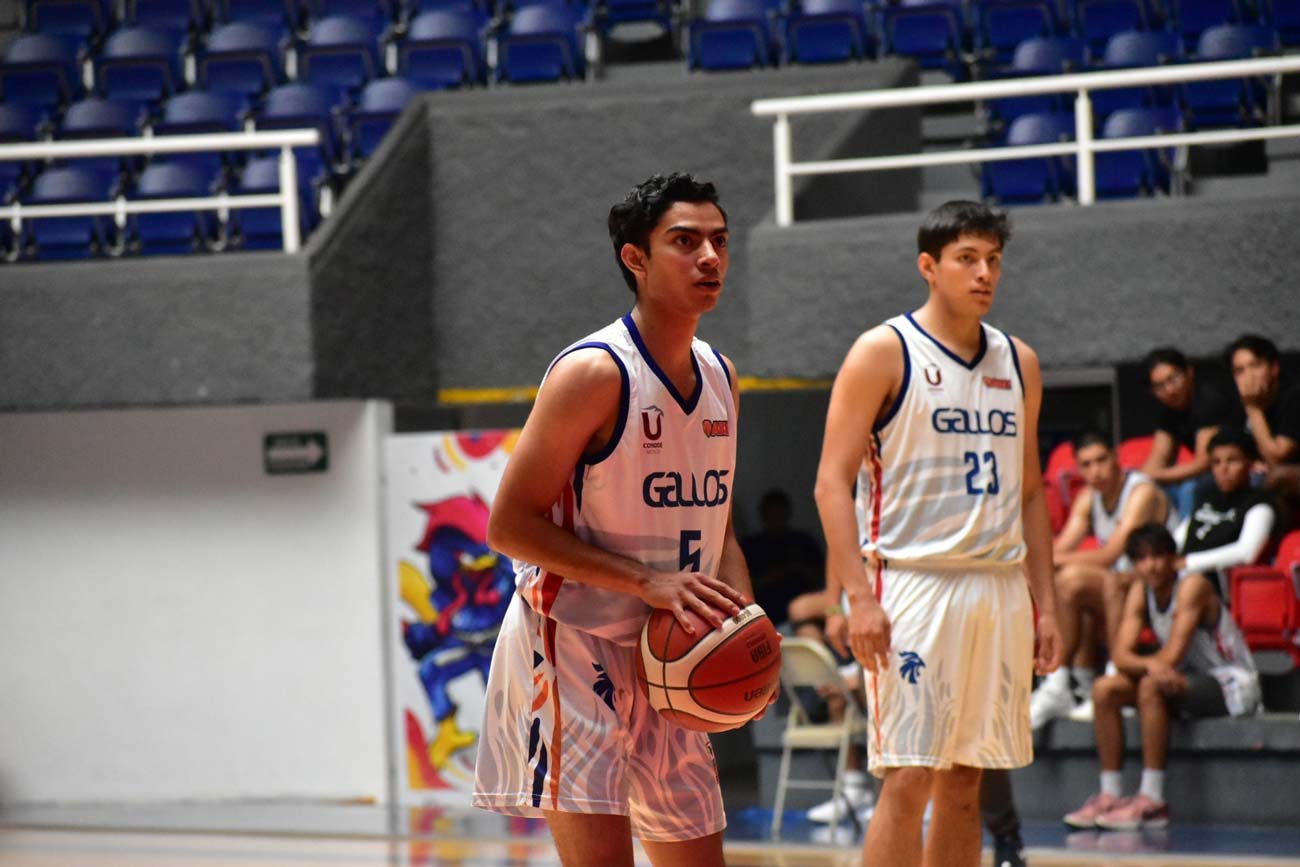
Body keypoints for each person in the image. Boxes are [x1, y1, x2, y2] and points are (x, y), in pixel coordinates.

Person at [472, 174, 758, 867]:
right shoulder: (595, 372)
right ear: (636, 258)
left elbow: (716, 525)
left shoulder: (722, 373)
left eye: (719, 241)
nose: (710, 258)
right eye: (685, 243)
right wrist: (647, 582)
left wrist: (744, 622)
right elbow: (508, 525)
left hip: (671, 651)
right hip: (574, 643)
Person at [813, 200, 1062, 867]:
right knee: (910, 775)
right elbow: (830, 483)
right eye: (967, 259)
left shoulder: (1021, 361)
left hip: (999, 585)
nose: (984, 273)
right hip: (912, 585)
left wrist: (1047, 602)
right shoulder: (882, 351)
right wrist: (858, 598)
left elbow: (1031, 492)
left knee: (966, 780)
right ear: (929, 266)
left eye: (993, 260)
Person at [1062, 523, 1260, 832]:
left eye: (1157, 556)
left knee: (1150, 685)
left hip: (1232, 684)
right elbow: (1121, 655)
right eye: (1141, 559)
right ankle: (1110, 794)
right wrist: (1148, 665)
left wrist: (1147, 665)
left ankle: (1152, 800)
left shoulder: (1192, 586)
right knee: (1104, 689)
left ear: (1174, 559)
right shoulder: (1142, 590)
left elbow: (1171, 657)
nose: (1150, 565)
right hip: (1182, 680)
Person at [1030, 430, 1177, 728]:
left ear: (1116, 458)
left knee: (1075, 579)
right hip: (1121, 585)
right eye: (1086, 464)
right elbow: (1063, 544)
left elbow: (1111, 553)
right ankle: (1078, 687)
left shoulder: (1141, 493)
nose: (1095, 471)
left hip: (1162, 585)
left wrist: (1049, 560)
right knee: (1067, 584)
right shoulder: (1088, 498)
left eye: (1101, 461)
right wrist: (1042, 560)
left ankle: (1086, 680)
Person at [1175, 427, 1277, 599]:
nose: (1223, 469)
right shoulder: (1207, 498)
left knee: (1191, 587)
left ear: (1250, 463)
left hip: (1222, 593)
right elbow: (1177, 539)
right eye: (1216, 462)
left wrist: (1188, 563)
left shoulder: (1261, 504)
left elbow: (1246, 553)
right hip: (1183, 580)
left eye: (1232, 461)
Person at [1139, 347, 1230, 519]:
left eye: (1173, 379)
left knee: (1189, 489)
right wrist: (1139, 480)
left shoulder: (1209, 400)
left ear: (1189, 373)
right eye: (1159, 386)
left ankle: (1186, 543)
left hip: (1237, 470)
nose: (1170, 390)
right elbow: (1157, 459)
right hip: (1208, 475)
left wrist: (1152, 474)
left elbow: (1203, 463)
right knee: (1149, 489)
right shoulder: (1168, 412)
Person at [1223, 334, 1300, 528]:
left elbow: (1277, 458)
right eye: (1239, 370)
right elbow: (1227, 446)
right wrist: (1248, 462)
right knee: (1210, 482)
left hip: (1289, 474)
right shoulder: (1236, 402)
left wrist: (1252, 407)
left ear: (1274, 368)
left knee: (1275, 478)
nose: (1248, 376)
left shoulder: (1293, 397)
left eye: (1255, 365)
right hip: (1265, 474)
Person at [741, 488, 825, 628]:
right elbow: (744, 587)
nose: (776, 520)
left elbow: (823, 581)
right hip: (764, 614)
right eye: (772, 515)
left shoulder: (803, 542)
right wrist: (775, 575)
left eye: (779, 514)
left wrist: (800, 569)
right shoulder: (752, 547)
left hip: (806, 615)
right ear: (763, 515)